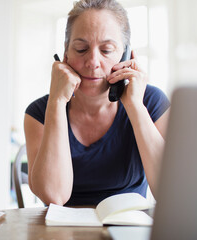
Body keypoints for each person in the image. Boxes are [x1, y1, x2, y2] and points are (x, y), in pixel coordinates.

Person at [24, 0, 170, 206]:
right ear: (65, 55)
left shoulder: (151, 102)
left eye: (107, 50)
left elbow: (171, 192)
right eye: (81, 49)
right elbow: (54, 196)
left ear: (127, 55)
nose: (93, 62)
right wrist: (57, 102)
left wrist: (135, 106)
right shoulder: (39, 112)